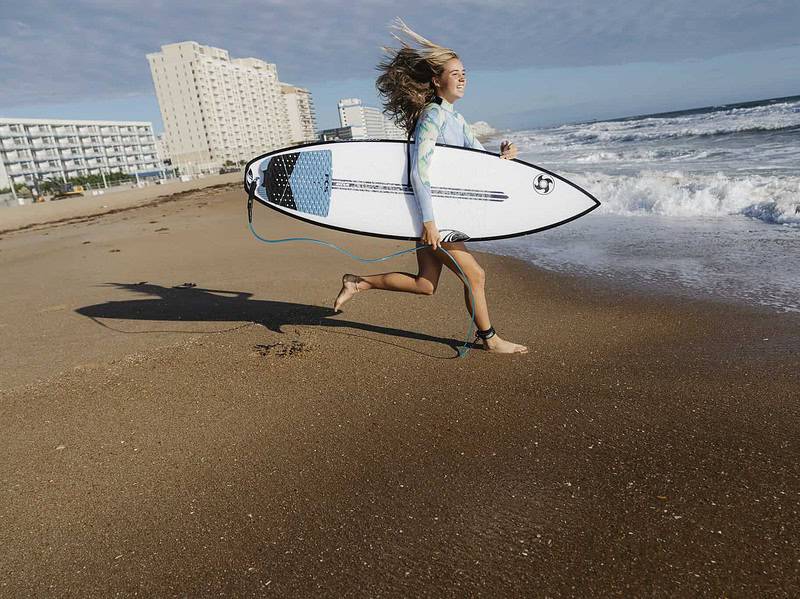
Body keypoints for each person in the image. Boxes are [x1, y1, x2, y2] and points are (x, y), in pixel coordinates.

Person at [334, 18, 528, 354]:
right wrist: (429, 222)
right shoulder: (432, 117)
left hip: (434, 216)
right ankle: (490, 339)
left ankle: (357, 282)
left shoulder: (456, 119)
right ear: (437, 81)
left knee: (425, 284)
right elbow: (418, 173)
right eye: (456, 73)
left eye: (464, 72)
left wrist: (504, 158)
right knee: (476, 275)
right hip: (432, 217)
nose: (463, 77)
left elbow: (478, 162)